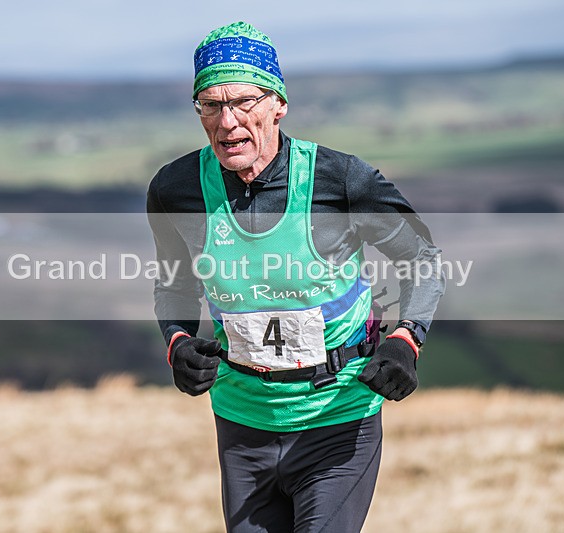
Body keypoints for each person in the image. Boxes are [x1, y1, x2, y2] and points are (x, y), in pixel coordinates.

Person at [146, 21, 445, 533]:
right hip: (242, 420)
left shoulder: (340, 179)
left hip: (337, 416)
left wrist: (404, 339)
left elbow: (423, 258)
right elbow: (174, 282)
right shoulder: (175, 190)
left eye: (243, 102)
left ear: (278, 104)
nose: (226, 121)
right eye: (211, 105)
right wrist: (177, 341)